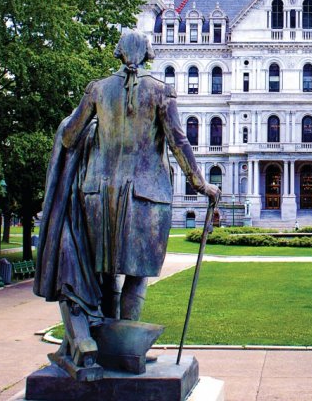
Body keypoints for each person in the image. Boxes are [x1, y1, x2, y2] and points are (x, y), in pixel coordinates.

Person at [34, 29, 220, 370]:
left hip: (97, 192)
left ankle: (108, 350)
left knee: (106, 274)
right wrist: (200, 184)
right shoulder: (161, 92)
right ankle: (127, 350)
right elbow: (179, 143)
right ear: (148, 53)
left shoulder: (97, 89)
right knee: (137, 276)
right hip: (146, 195)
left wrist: (98, 131)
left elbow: (69, 135)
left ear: (119, 53)